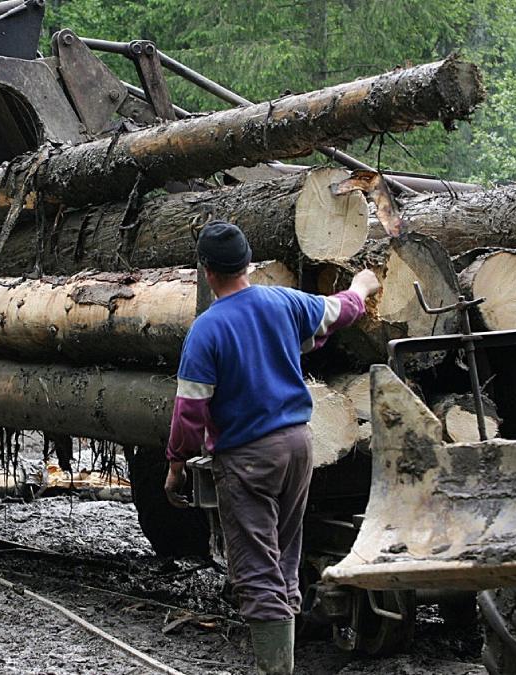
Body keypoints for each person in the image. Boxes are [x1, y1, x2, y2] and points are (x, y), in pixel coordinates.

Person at [163, 221, 380, 675]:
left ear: (206, 272)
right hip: (298, 447)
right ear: (248, 263)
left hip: (248, 459)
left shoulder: (207, 331)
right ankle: (285, 652)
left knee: (256, 566)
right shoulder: (282, 302)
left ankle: (275, 669)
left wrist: (176, 464)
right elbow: (338, 313)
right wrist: (361, 285)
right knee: (285, 552)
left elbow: (190, 412)